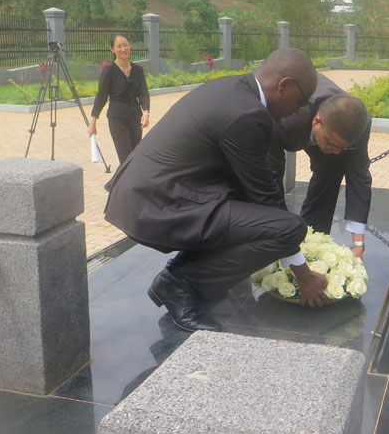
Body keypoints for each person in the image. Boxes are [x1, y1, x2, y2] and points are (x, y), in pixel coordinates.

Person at [103, 48, 327, 332]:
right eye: (302, 100)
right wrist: (303, 275)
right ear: (285, 85)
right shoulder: (248, 114)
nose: (300, 109)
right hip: (156, 203)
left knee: (251, 210)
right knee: (288, 228)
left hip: (148, 194)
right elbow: (268, 201)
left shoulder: (233, 89)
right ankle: (177, 284)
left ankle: (182, 273)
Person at [268, 74, 372, 259]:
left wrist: (358, 245)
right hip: (280, 128)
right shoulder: (289, 117)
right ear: (316, 122)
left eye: (343, 147)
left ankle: (312, 243)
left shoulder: (358, 123)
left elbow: (359, 176)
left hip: (323, 126)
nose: (338, 151)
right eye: (332, 144)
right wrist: (279, 236)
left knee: (332, 167)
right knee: (268, 186)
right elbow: (270, 174)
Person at [87, 34, 150, 163]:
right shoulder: (109, 71)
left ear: (130, 46)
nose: (123, 49)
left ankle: (132, 182)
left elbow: (143, 92)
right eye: (119, 46)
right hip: (117, 118)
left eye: (125, 45)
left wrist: (146, 113)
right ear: (112, 49)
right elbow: (101, 97)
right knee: (125, 157)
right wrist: (93, 122)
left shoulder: (138, 70)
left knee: (136, 155)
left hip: (135, 116)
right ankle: (123, 182)